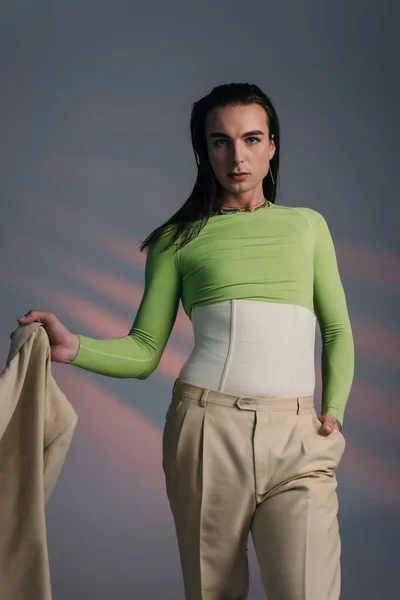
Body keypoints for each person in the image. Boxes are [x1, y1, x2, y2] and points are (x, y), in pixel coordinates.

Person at [17, 82, 354, 600]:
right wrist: (72, 346)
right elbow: (145, 349)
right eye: (220, 141)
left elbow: (335, 330)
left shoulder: (307, 227)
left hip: (297, 437)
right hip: (206, 431)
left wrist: (333, 410)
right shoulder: (176, 239)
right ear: (204, 150)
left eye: (251, 139)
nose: (237, 156)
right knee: (212, 592)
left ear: (272, 146)